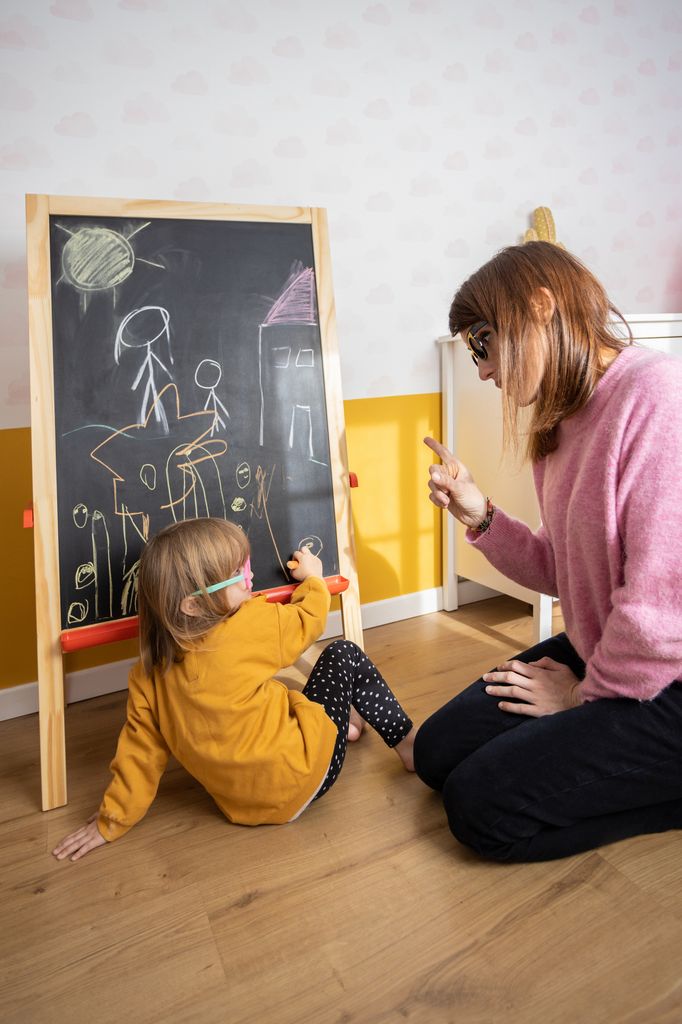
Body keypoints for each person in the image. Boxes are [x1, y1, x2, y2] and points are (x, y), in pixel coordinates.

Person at [414, 240, 682, 863]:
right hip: (607, 645)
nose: (481, 370)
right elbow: (563, 572)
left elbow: (661, 612)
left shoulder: (656, 397)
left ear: (541, 307)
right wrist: (479, 514)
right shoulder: (557, 428)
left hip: (665, 677)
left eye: (483, 343)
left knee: (478, 808)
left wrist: (579, 698)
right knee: (436, 754)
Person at [53, 518, 415, 862]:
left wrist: (110, 821)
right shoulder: (251, 626)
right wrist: (313, 580)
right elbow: (309, 619)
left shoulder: (147, 677)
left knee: (283, 688)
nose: (251, 576)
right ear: (193, 604)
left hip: (244, 805)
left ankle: (349, 721)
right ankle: (407, 743)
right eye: (238, 574)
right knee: (343, 654)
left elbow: (139, 757)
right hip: (309, 771)